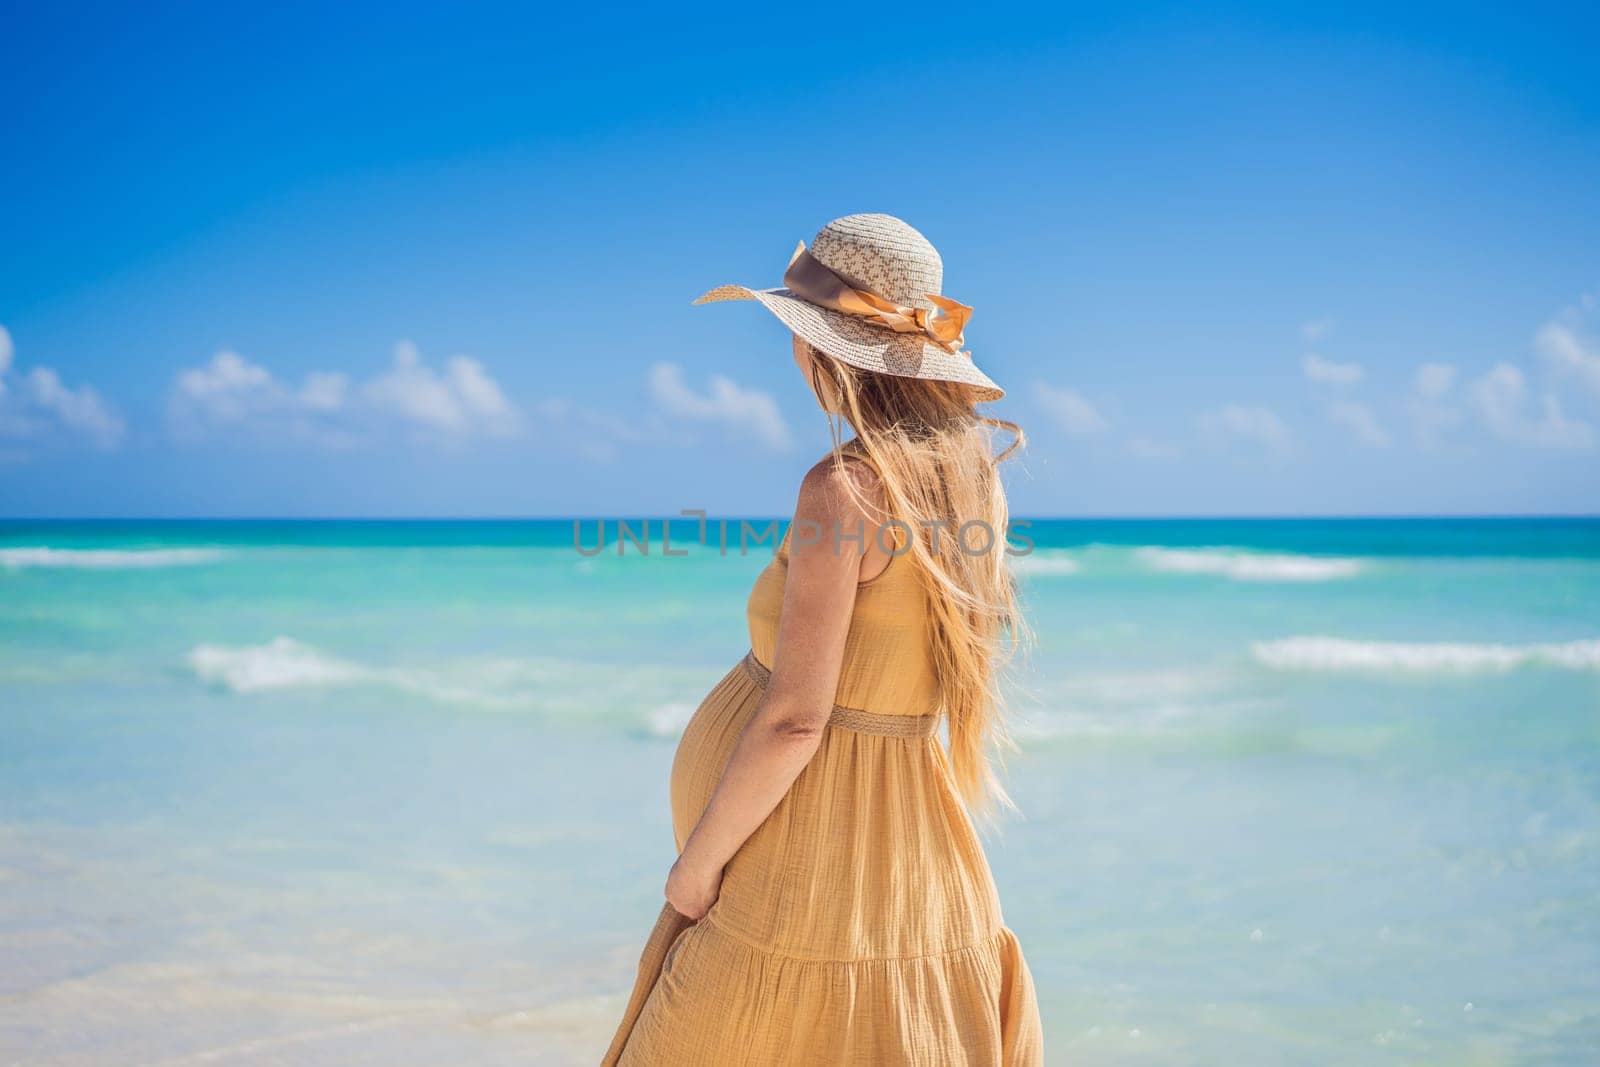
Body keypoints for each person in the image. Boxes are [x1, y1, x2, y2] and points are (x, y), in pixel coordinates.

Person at [602, 213, 1044, 1065]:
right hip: (900, 836)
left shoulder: (842, 489)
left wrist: (697, 864)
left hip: (807, 851)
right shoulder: (968, 484)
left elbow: (797, 718)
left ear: (826, 351)